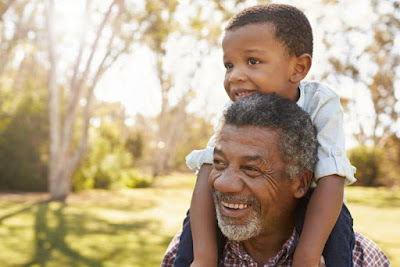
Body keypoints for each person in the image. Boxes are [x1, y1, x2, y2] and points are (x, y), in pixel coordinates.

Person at [175, 4, 358, 267]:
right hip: (253, 208)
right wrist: (203, 257)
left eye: (252, 61)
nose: (235, 75)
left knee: (337, 220)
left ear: (298, 68)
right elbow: (207, 171)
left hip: (313, 201)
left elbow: (331, 176)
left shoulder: (320, 102)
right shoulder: (233, 112)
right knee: (197, 215)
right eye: (229, 65)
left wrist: (307, 256)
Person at [163, 93, 390, 267]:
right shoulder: (184, 253)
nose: (223, 183)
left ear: (301, 183)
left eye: (251, 168)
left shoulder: (361, 259)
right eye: (220, 163)